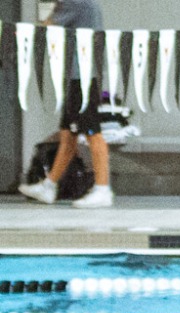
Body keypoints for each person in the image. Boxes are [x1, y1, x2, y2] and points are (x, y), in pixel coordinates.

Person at [18, 0, 110, 208]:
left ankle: (103, 189)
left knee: (92, 131)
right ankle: (49, 185)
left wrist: (14, 32)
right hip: (80, 75)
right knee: (68, 133)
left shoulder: (72, 2)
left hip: (83, 77)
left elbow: (46, 29)